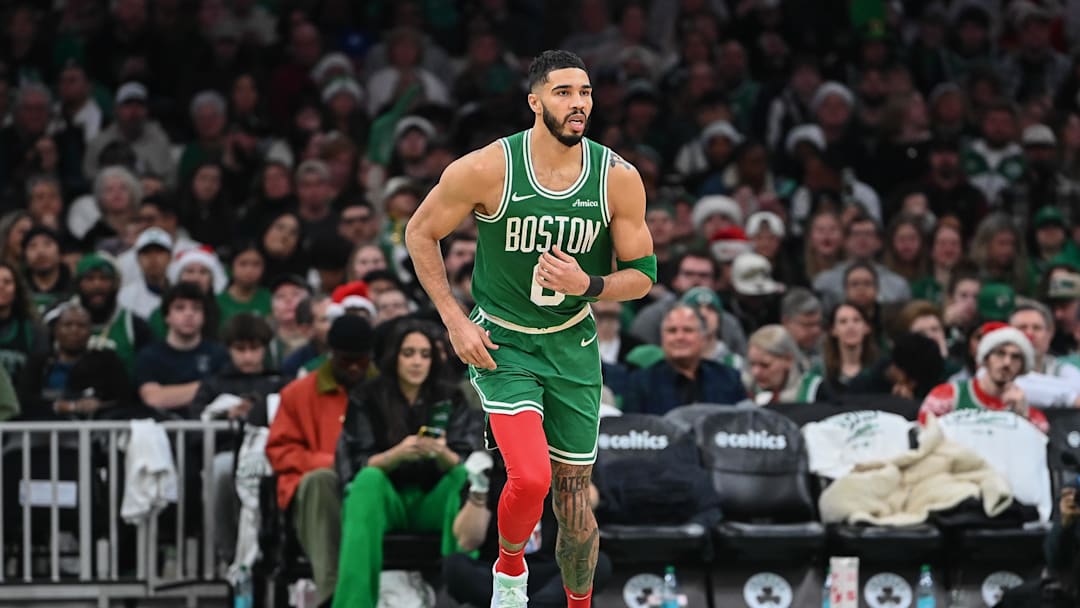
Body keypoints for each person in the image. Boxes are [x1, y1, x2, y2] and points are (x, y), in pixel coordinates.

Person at [405, 50, 656, 608]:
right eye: (564, 92)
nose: (578, 103)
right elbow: (420, 232)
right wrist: (454, 320)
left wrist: (588, 284)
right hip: (504, 342)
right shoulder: (487, 168)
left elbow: (643, 275)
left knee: (573, 501)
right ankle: (509, 574)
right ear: (535, 101)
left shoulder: (617, 178)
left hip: (573, 343)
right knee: (532, 477)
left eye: (585, 92)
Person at [333, 320, 479, 607]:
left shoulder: (451, 397)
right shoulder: (366, 397)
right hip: (387, 502)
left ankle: (464, 597)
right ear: (394, 356)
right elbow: (355, 464)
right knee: (368, 480)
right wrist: (397, 454)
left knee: (462, 476)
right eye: (408, 353)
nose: (417, 362)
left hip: (434, 502)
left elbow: (467, 459)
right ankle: (353, 603)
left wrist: (441, 452)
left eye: (425, 355)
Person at [265, 315, 375, 608]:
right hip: (317, 490)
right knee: (321, 480)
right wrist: (327, 462)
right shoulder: (298, 394)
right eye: (346, 360)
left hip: (371, 483)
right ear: (331, 354)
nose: (354, 368)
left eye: (361, 361)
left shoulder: (384, 389)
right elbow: (279, 450)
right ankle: (332, 594)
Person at [444, 451, 613, 608]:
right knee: (455, 566)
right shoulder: (490, 467)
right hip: (500, 572)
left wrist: (564, 470)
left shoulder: (561, 459)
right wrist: (479, 489)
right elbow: (468, 541)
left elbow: (590, 502)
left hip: (553, 570)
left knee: (597, 562)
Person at [919, 322, 1048, 432]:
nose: (1007, 362)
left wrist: (1022, 417)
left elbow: (1038, 446)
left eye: (1015, 357)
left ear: (1022, 367)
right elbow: (923, 436)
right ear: (985, 359)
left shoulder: (1032, 416)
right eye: (1000, 353)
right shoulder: (947, 396)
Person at [623, 305, 747, 414]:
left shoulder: (729, 379)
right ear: (662, 338)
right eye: (672, 331)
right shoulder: (641, 383)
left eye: (688, 330)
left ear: (703, 338)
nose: (680, 337)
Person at [18, 302, 131, 419]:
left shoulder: (107, 361)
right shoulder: (38, 362)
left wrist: (99, 405)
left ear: (90, 331)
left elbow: (124, 400)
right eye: (67, 325)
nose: (74, 330)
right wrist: (62, 406)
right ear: (56, 330)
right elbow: (24, 399)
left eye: (81, 326)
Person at [133, 282, 228, 413]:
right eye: (180, 308)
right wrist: (210, 387)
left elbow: (227, 392)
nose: (189, 314)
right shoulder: (149, 356)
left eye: (196, 308)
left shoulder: (219, 355)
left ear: (204, 316)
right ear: (167, 316)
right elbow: (154, 398)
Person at [745, 324, 823, 404]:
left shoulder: (814, 390)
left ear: (788, 360)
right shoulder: (746, 392)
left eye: (765, 365)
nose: (756, 372)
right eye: (752, 364)